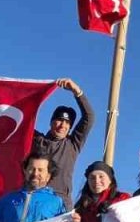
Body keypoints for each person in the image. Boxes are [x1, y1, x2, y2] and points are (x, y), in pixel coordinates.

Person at [31, 78, 96, 211]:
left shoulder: (72, 144)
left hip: (61, 203)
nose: (63, 126)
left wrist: (77, 92)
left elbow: (89, 117)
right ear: (51, 122)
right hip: (35, 199)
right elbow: (21, 124)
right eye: (59, 121)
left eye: (67, 123)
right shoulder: (37, 140)